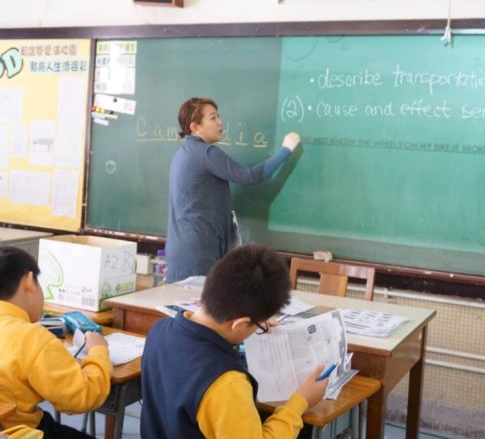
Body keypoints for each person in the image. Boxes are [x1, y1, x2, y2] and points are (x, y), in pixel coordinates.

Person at [141, 243, 328, 439]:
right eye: (260, 324)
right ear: (239, 324)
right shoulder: (227, 383)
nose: (262, 327)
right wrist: (299, 403)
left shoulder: (159, 331)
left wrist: (247, 331)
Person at [165, 97, 301, 281]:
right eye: (213, 118)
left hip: (183, 251)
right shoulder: (206, 153)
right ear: (195, 127)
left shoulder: (183, 153)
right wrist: (286, 150)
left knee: (185, 308)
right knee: (199, 308)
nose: (220, 122)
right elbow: (250, 177)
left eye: (218, 116)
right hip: (198, 254)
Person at [0, 247, 112, 439]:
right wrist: (98, 350)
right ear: (29, 281)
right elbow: (81, 398)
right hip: (19, 431)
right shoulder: (30, 337)